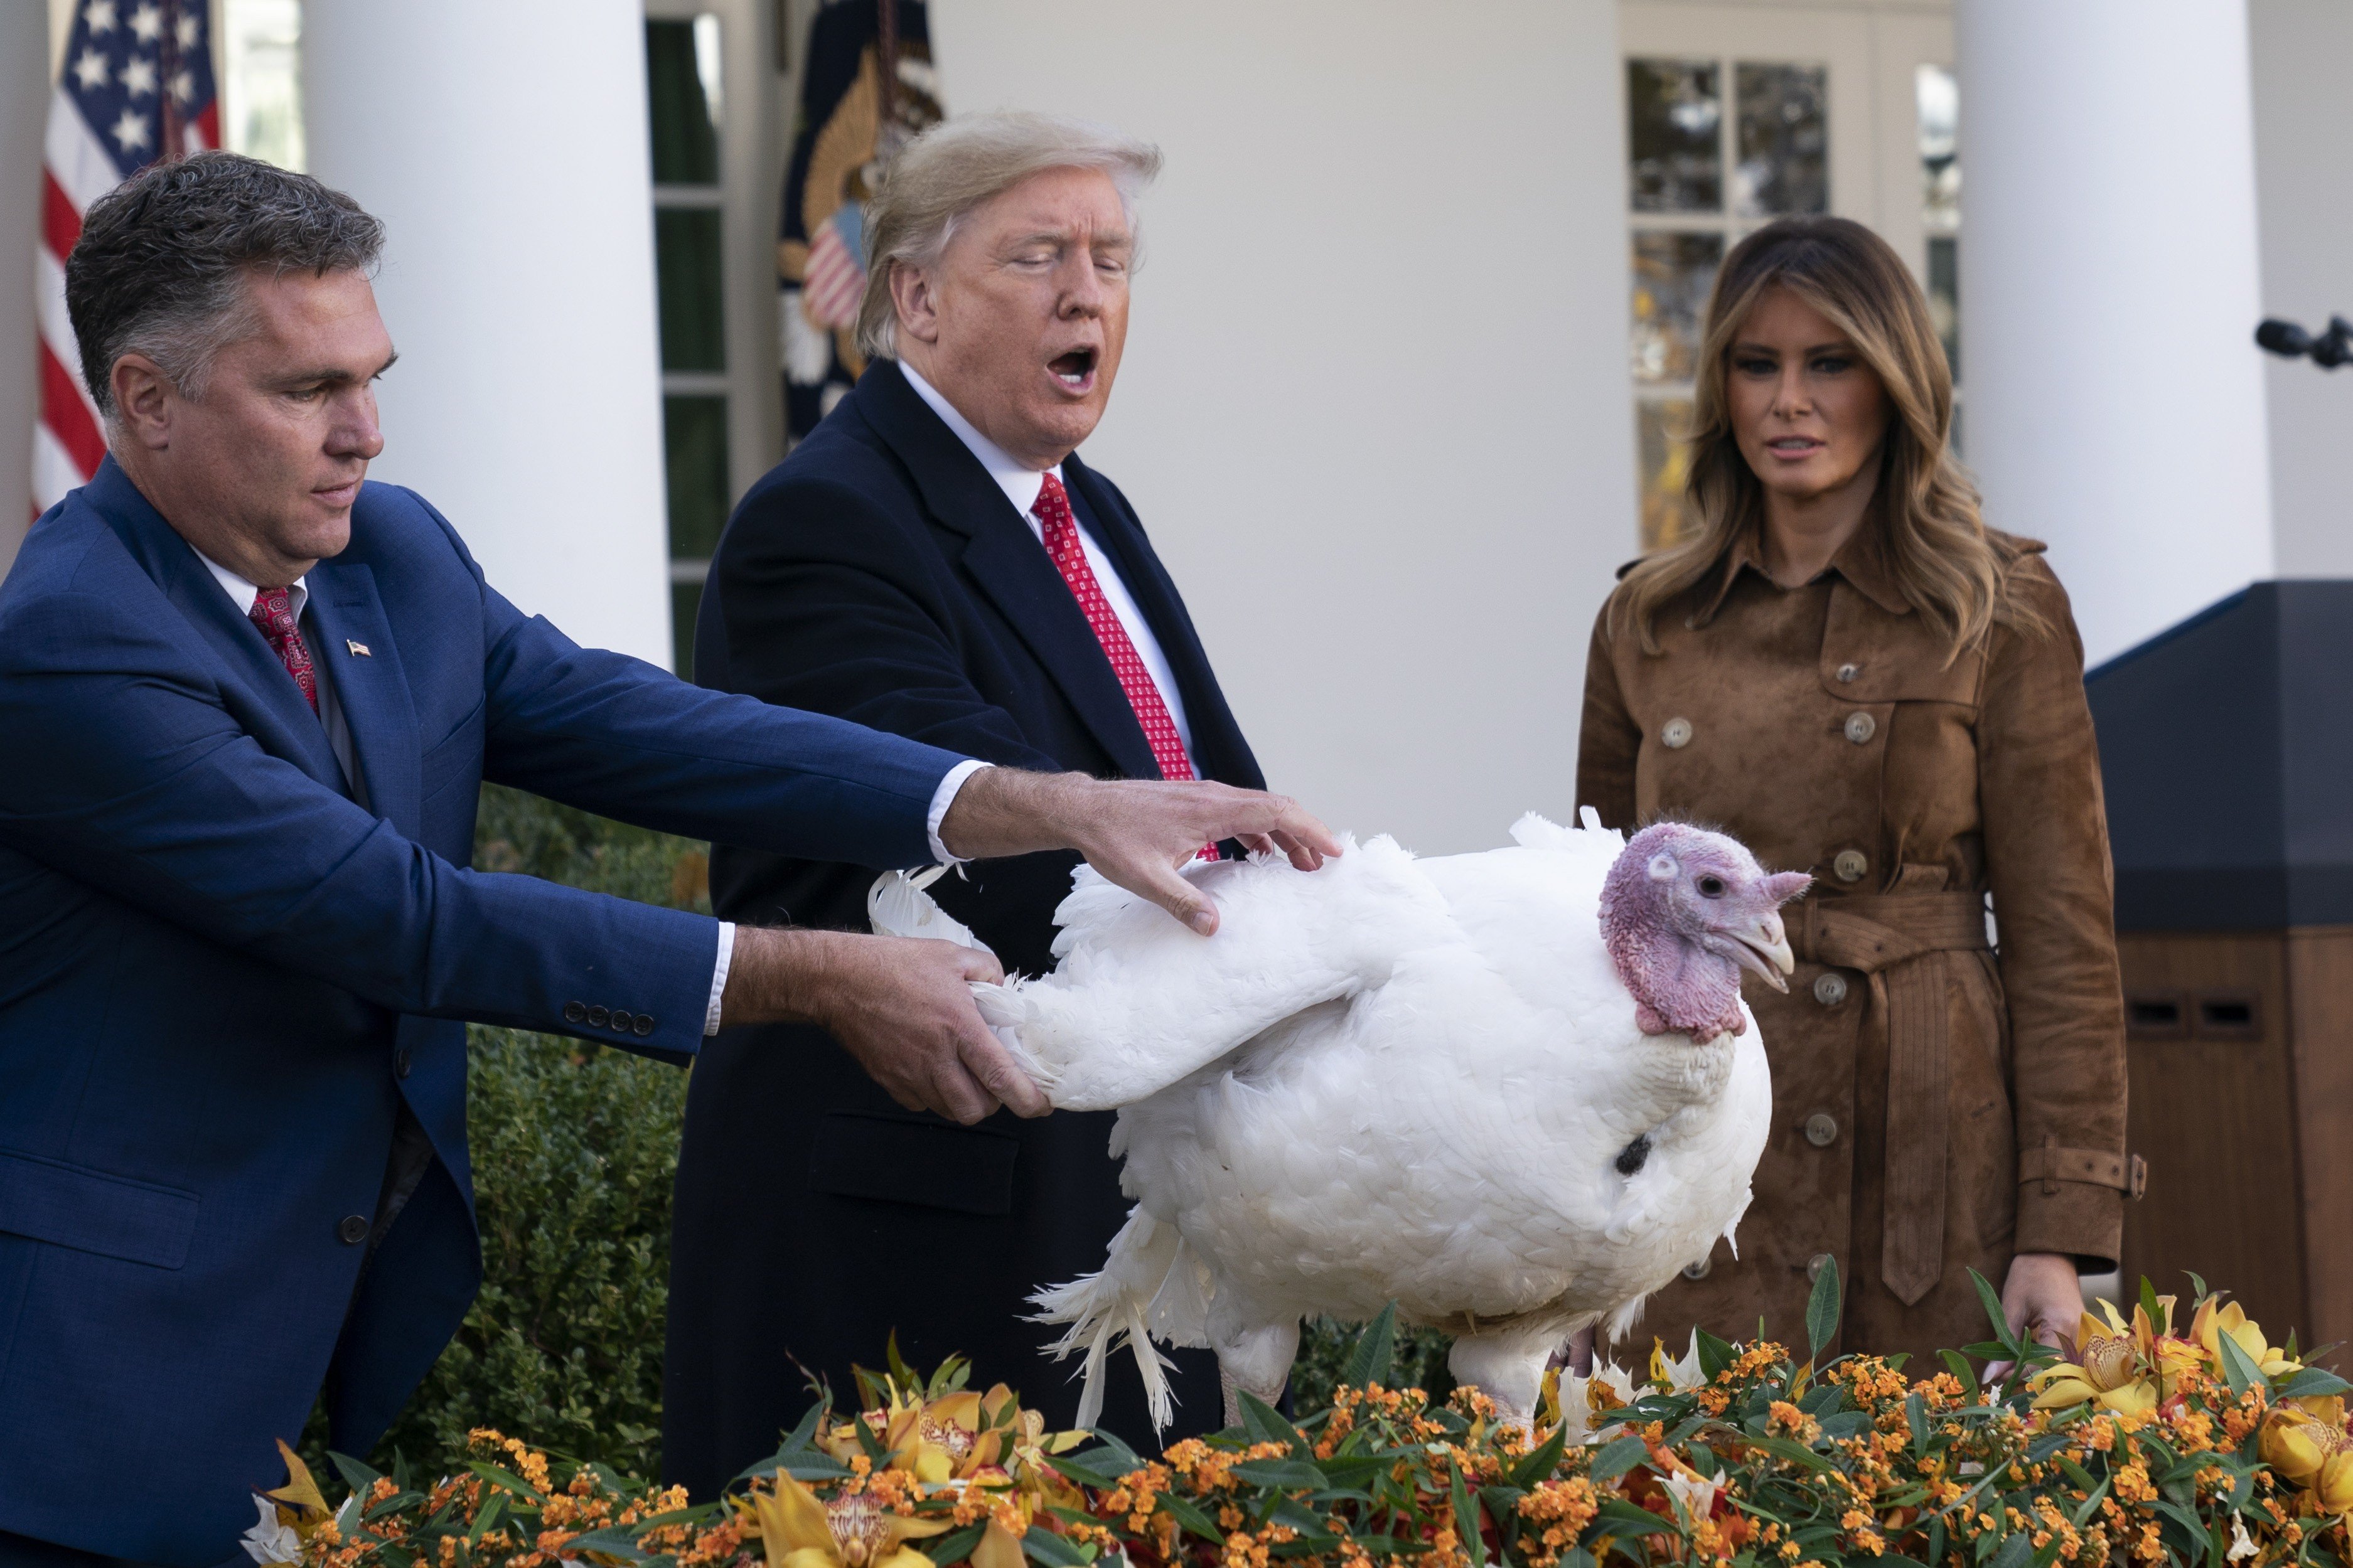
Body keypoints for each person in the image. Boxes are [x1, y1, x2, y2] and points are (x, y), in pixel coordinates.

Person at [0, 151, 1337, 1568]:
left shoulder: (384, 556)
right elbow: (401, 919)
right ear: (145, 398)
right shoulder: (76, 644)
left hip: (298, 1348)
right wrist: (821, 972)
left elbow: (638, 724)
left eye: (372, 376)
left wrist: (1038, 800)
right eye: (309, 391)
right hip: (86, 1398)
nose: (368, 433)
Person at [662, 114, 1271, 1490]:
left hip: (1107, 1207)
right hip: (913, 1237)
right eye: (1040, 255)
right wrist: (1287, 951)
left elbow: (1195, 797)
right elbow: (991, 850)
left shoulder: (1086, 508)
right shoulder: (824, 522)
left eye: (1112, 260)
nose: (1088, 295)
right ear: (915, 297)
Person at [1575, 216, 2131, 1368]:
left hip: (1929, 1151)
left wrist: (2062, 1232)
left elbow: (2062, 941)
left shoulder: (1999, 606)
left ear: (1895, 383)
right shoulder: (1647, 622)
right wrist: (1581, 1234)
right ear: (1720, 387)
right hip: (1706, 1143)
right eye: (1757, 364)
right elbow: (1592, 939)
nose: (1790, 400)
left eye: (1829, 363)